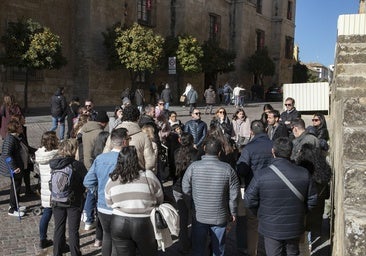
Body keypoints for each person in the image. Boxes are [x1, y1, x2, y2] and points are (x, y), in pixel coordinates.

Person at [244, 137, 317, 256]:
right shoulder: (304, 174)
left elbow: (248, 200)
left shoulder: (261, 175)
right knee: (292, 253)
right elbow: (312, 200)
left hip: (270, 226)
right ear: (291, 152)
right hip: (294, 225)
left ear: (273, 151)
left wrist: (261, 213)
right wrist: (301, 212)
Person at [182, 136, 239, 256]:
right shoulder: (228, 169)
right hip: (220, 215)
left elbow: (185, 189)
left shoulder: (193, 167)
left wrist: (191, 206)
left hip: (199, 214)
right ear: (219, 152)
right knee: (218, 249)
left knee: (198, 248)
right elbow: (234, 195)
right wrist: (233, 212)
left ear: (204, 148)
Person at [105, 146, 164, 256]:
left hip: (119, 222)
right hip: (144, 222)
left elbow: (109, 202)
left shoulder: (113, 179)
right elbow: (160, 197)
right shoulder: (149, 176)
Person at [84, 128, 130, 255]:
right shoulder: (127, 159)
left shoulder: (100, 158)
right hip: (120, 206)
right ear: (124, 142)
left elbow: (88, 181)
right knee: (119, 240)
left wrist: (98, 192)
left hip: (103, 206)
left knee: (107, 236)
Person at [236, 120, 273, 255]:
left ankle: (253, 252)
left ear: (251, 132)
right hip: (272, 189)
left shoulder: (249, 148)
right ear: (265, 130)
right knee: (271, 223)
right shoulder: (273, 145)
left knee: (252, 224)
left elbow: (241, 170)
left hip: (254, 190)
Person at [50, 139, 87, 256]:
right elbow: (85, 181)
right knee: (73, 230)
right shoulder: (77, 165)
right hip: (73, 201)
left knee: (58, 228)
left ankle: (56, 253)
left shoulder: (54, 164)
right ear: (73, 150)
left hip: (56, 199)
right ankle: (75, 253)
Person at [295, 143, 331, 255]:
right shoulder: (323, 173)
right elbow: (326, 195)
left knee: (300, 241)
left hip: (302, 212)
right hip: (315, 212)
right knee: (307, 237)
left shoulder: (301, 172)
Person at [81, 110, 109, 231]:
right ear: (104, 123)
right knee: (93, 193)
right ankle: (90, 219)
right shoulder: (100, 133)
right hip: (95, 164)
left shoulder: (85, 130)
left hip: (85, 162)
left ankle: (87, 217)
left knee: (90, 192)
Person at [103, 105, 155, 171]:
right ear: (138, 118)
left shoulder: (113, 135)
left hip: (116, 174)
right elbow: (150, 162)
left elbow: (105, 155)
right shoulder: (144, 137)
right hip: (137, 175)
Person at [173, 132, 200, 254]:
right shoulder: (196, 154)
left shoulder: (176, 153)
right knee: (195, 218)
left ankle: (183, 245)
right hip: (192, 190)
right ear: (192, 140)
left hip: (178, 189)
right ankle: (195, 243)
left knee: (183, 220)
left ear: (180, 140)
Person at [35, 131, 59, 249]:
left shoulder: (40, 153)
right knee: (59, 218)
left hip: (45, 187)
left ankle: (42, 239)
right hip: (54, 188)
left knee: (46, 213)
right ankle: (60, 241)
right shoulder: (56, 154)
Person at [0, 119, 28, 217]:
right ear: (15, 129)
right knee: (15, 188)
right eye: (20, 127)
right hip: (13, 168)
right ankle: (12, 209)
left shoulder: (16, 137)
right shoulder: (10, 139)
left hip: (17, 166)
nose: (22, 128)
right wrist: (13, 167)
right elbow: (6, 155)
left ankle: (15, 205)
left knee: (17, 186)